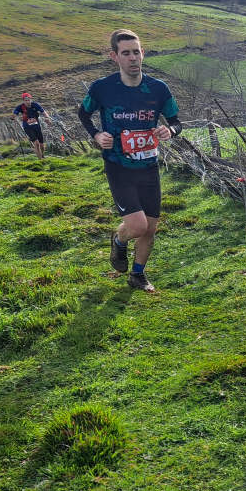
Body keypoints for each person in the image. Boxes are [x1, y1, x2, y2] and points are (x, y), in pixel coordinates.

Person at [78, 28, 182, 293]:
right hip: (118, 166)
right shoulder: (102, 88)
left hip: (148, 166)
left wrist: (169, 131)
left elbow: (175, 122)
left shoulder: (158, 89)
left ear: (143, 53)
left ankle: (137, 274)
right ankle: (119, 238)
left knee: (150, 228)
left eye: (136, 52)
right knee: (137, 226)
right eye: (126, 53)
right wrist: (96, 135)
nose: (133, 58)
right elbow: (83, 113)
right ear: (115, 56)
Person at [12, 92, 46, 159]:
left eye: (28, 100)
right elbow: (15, 113)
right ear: (23, 101)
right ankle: (40, 160)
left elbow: (43, 112)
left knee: (41, 144)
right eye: (26, 100)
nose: (27, 102)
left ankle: (42, 155)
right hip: (28, 127)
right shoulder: (20, 107)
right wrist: (13, 117)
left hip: (37, 126)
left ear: (31, 99)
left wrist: (47, 118)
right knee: (36, 143)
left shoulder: (35, 105)